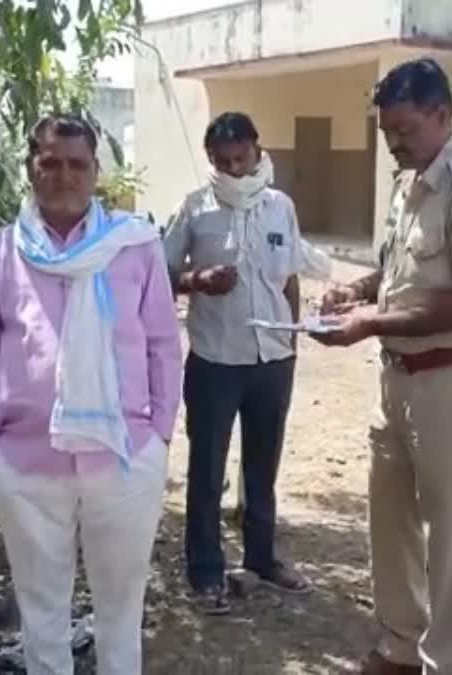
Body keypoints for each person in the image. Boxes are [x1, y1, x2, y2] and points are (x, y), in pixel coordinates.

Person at [311, 58, 452, 674]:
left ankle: (446, 662)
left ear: (443, 115)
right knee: (392, 524)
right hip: (399, 380)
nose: (394, 143)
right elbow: (404, 273)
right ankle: (399, 648)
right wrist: (360, 291)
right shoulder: (410, 184)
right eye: (387, 132)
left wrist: (370, 322)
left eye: (405, 129)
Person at [0, 113, 182, 675]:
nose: (63, 175)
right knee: (42, 614)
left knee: (120, 614)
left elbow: (163, 344)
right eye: (49, 162)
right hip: (27, 464)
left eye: (77, 164)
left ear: (96, 172)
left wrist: (159, 436)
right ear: (31, 167)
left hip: (125, 458)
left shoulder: (134, 245)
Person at [163, 111, 315, 615]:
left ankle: (263, 558)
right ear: (211, 160)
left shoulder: (280, 207)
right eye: (223, 163)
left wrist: (292, 344)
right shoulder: (195, 209)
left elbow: (290, 280)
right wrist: (198, 280)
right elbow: (160, 275)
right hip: (214, 360)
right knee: (206, 469)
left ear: (257, 150)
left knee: (263, 466)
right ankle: (205, 570)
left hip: (273, 358)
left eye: (241, 159)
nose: (234, 170)